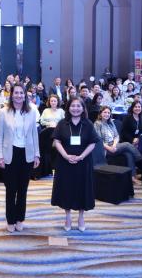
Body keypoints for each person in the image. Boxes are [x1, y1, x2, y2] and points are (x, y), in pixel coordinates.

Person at [0, 85, 40, 233]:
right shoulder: (3, 112)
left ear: (25, 95)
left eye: (21, 93)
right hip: (10, 154)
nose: (19, 95)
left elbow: (34, 134)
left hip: (26, 154)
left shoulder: (31, 112)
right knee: (11, 189)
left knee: (23, 190)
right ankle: (10, 219)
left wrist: (37, 154)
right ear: (12, 94)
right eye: (16, 93)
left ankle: (20, 218)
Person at [51, 97, 98, 231]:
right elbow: (57, 142)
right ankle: (67, 216)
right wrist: (66, 156)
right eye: (73, 106)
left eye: (78, 106)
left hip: (83, 162)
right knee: (67, 189)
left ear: (83, 108)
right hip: (65, 163)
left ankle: (81, 216)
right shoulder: (62, 123)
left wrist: (82, 156)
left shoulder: (88, 123)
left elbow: (93, 142)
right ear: (68, 108)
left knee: (82, 188)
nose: (75, 108)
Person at [94, 106, 142, 184]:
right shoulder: (97, 124)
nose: (107, 114)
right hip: (105, 149)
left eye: (108, 113)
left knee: (128, 154)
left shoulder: (110, 122)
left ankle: (132, 177)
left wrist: (114, 145)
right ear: (100, 113)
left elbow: (117, 136)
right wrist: (110, 148)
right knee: (127, 144)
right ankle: (141, 161)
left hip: (113, 145)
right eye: (105, 112)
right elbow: (99, 141)